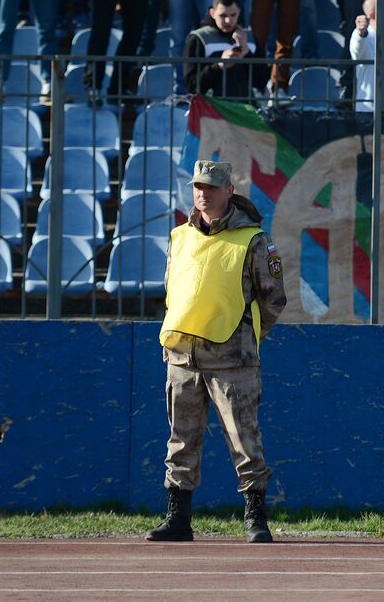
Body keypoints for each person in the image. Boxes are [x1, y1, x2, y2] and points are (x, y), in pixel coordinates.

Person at [148, 160, 287, 544]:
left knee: (244, 439)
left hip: (232, 359)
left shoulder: (255, 240)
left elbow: (274, 299)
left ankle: (255, 517)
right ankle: (178, 518)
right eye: (198, 186)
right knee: (180, 439)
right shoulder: (180, 236)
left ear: (229, 191)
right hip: (182, 356)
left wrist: (245, 336)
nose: (203, 193)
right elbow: (172, 290)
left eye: (211, 187)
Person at [183, 0, 257, 97]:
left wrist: (246, 53)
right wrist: (219, 65)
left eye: (233, 15)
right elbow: (191, 86)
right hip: (212, 108)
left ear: (239, 12)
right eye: (223, 16)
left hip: (246, 108)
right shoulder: (198, 38)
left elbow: (261, 82)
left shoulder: (250, 38)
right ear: (212, 13)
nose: (228, 20)